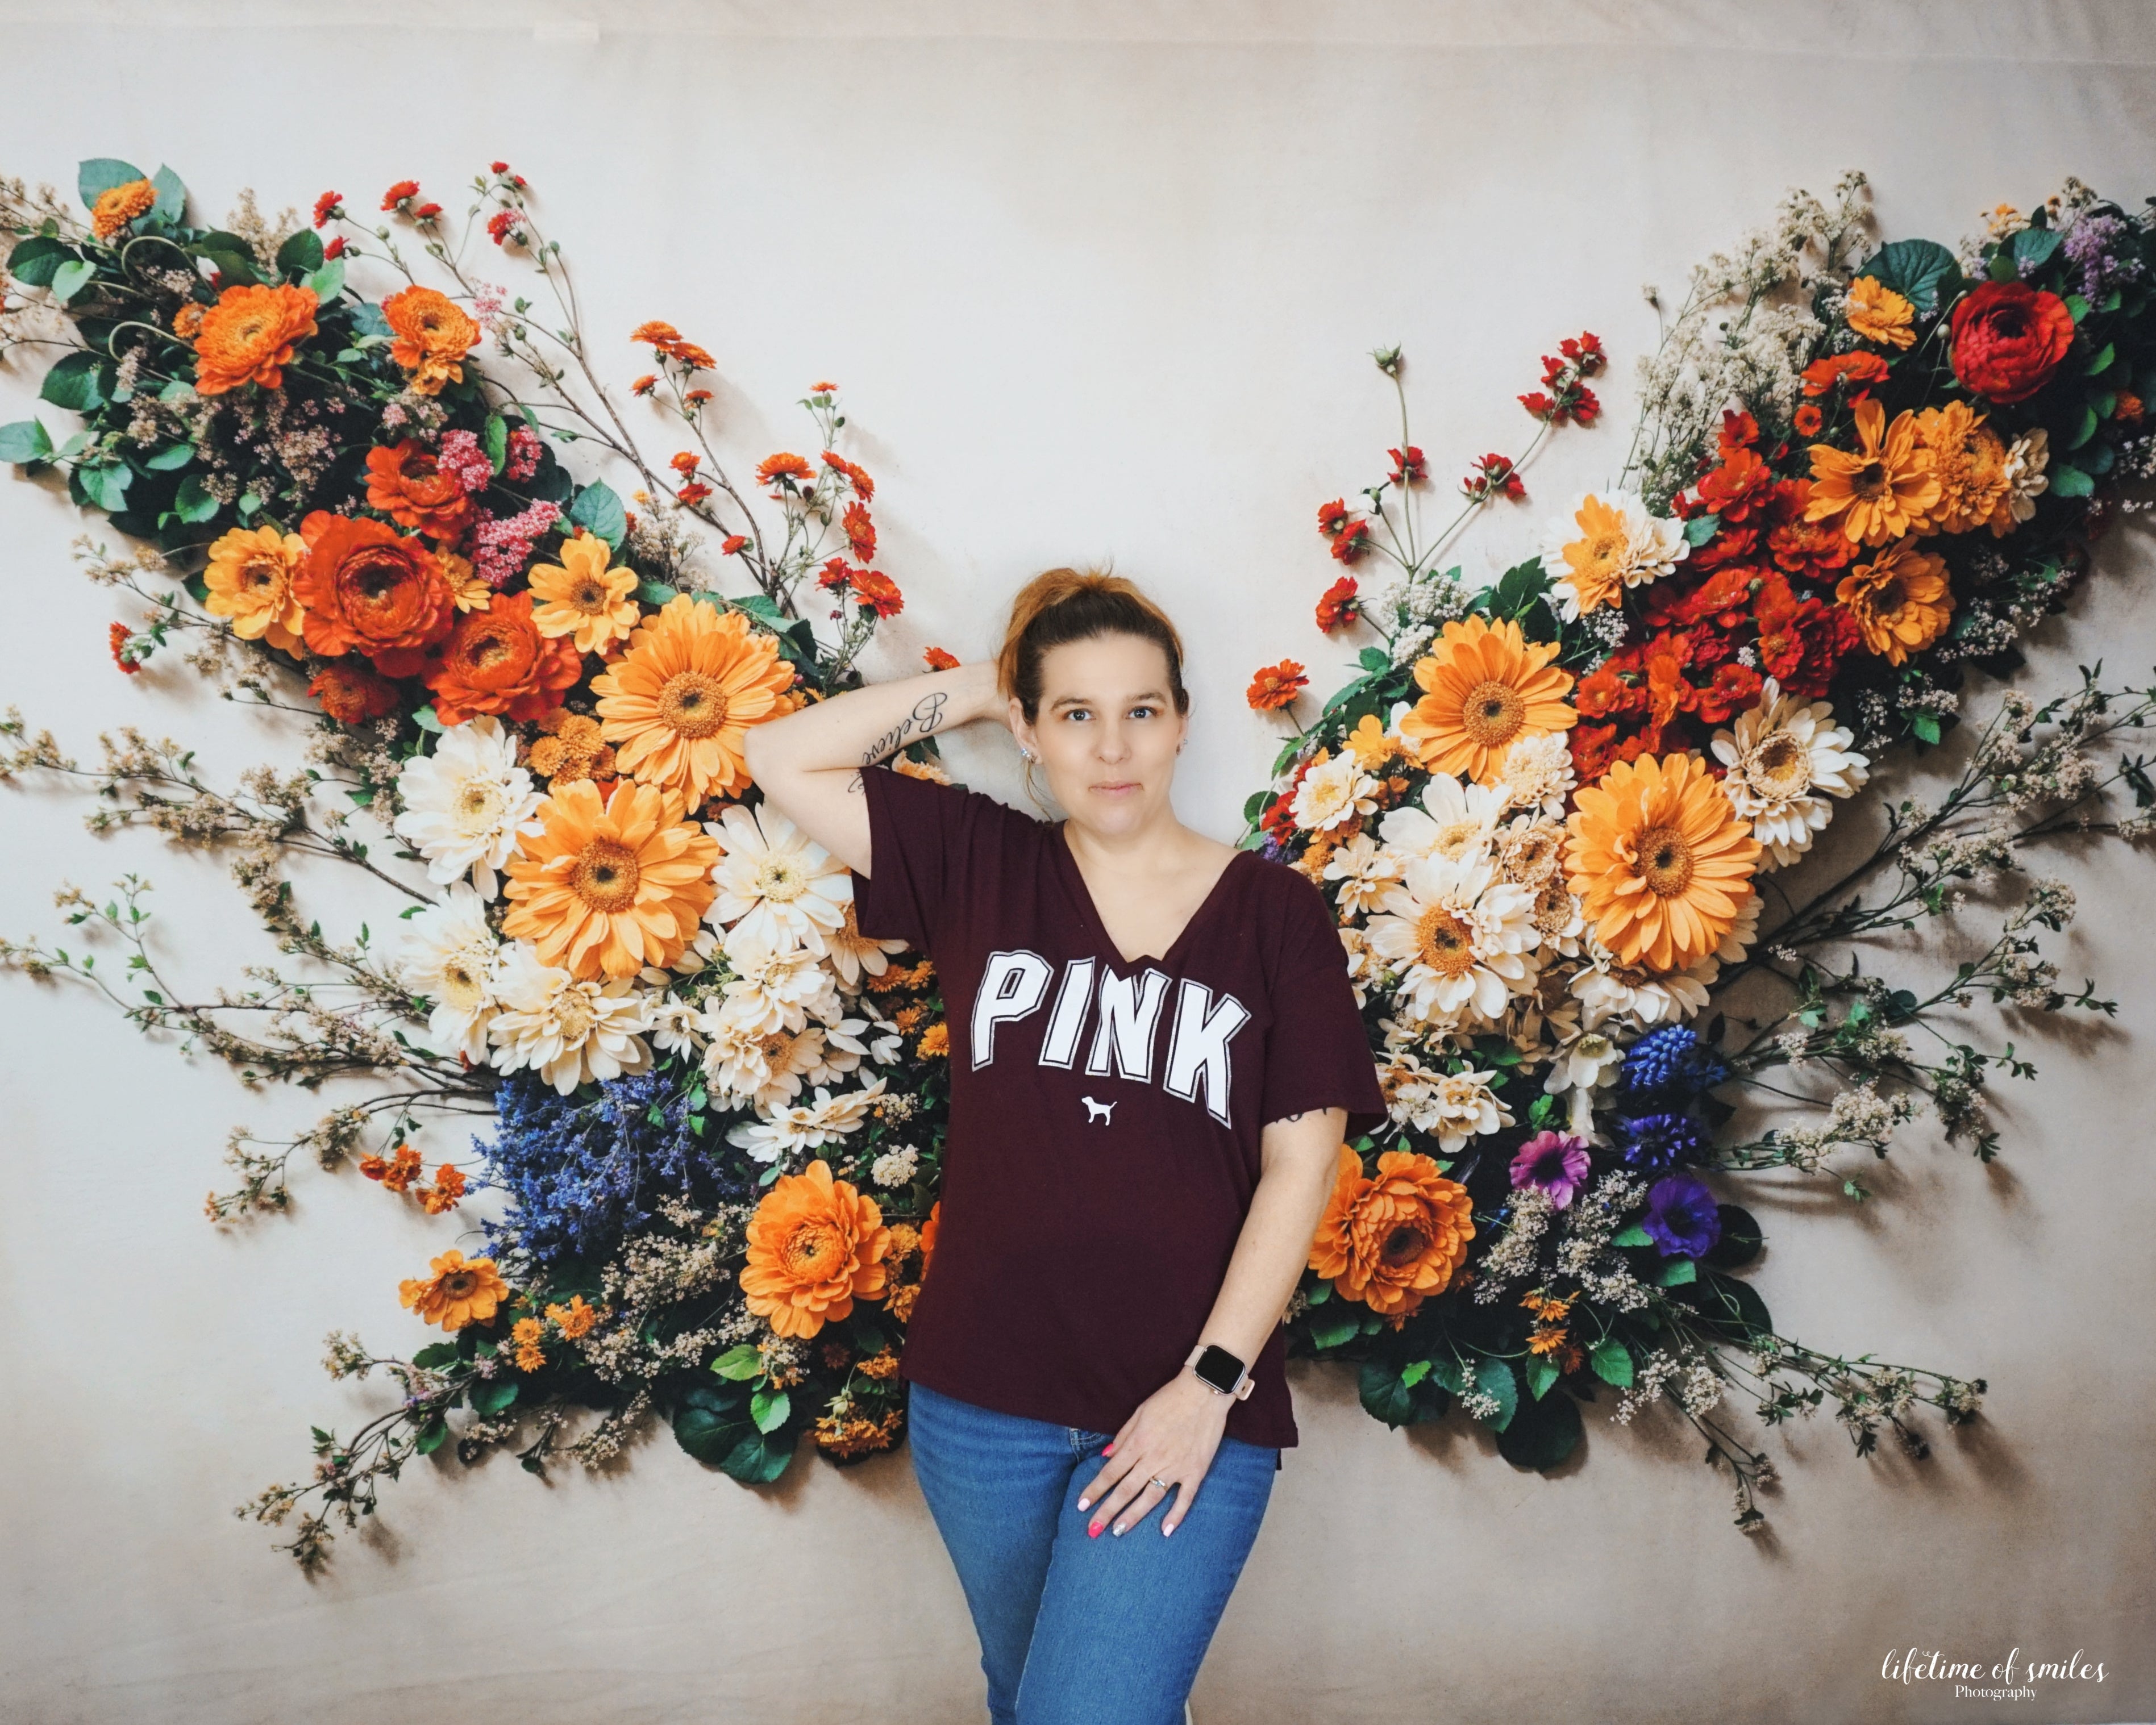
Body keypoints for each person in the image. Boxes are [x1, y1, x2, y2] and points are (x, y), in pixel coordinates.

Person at [743, 568, 1388, 1725]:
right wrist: (987, 685)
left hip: (1188, 1400)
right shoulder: (979, 865)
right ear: (1032, 734)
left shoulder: (1275, 916)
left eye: (1141, 709)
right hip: (980, 1406)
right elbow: (782, 756)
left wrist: (1206, 1390)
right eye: (1074, 714)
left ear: (1183, 722)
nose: (1112, 747)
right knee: (1029, 1695)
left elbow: (1302, 1168)